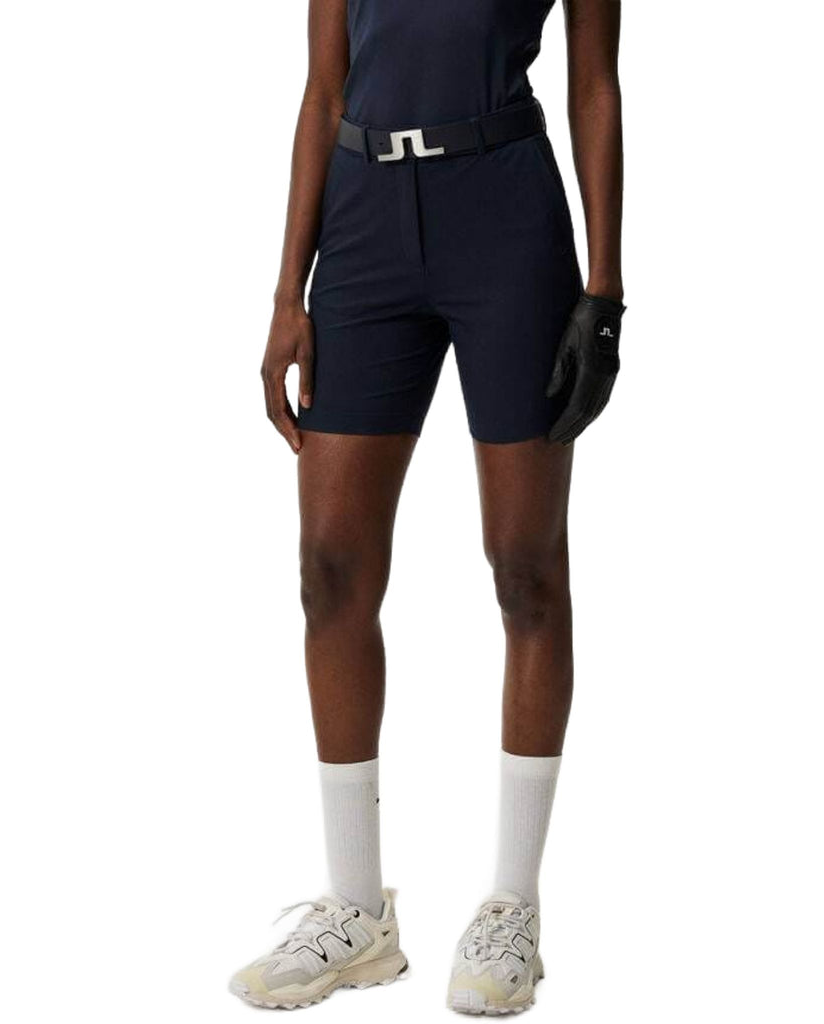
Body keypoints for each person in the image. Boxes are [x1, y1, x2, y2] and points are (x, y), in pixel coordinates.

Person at [230, 0, 624, 1013]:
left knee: (525, 566)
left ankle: (511, 906)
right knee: (329, 567)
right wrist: (286, 293)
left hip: (505, 218)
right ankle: (356, 910)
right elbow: (323, 91)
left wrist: (604, 291)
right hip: (362, 222)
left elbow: (593, 84)